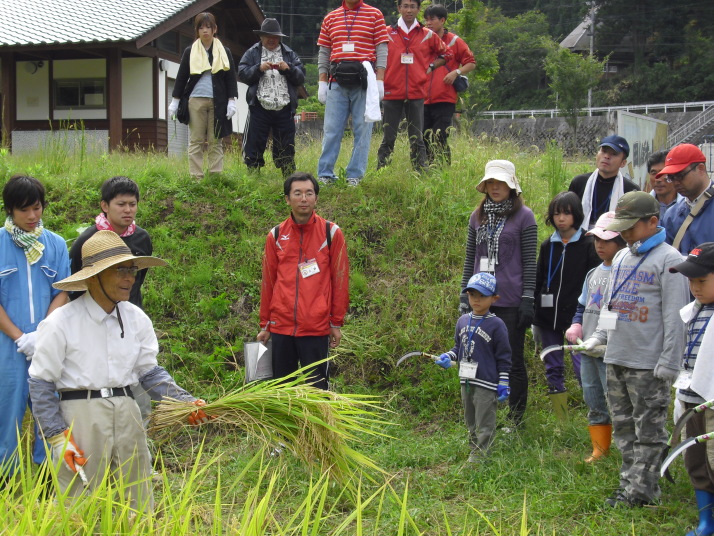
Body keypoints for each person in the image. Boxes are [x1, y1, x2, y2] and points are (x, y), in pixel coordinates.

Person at [28, 231, 210, 512]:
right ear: (93, 277)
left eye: (132, 270)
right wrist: (57, 436)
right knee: (78, 499)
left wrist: (185, 402)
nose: (130, 278)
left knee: (137, 494)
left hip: (128, 412)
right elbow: (40, 383)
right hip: (81, 417)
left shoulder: (136, 318)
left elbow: (150, 373)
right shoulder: (60, 322)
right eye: (120, 271)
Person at [582, 191, 689, 508]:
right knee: (624, 427)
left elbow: (675, 317)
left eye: (630, 227)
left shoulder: (670, 261)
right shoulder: (621, 258)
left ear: (652, 222)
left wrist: (669, 362)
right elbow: (611, 305)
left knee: (649, 430)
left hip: (647, 364)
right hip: (616, 357)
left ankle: (644, 492)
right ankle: (629, 485)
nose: (625, 234)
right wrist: (599, 336)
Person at [0, 175, 70, 478]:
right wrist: (20, 338)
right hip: (7, 346)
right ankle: (7, 477)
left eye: (37, 208)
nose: (32, 216)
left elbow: (62, 292)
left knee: (51, 407)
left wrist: (42, 333)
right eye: (24, 209)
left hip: (46, 342)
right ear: (10, 209)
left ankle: (48, 475)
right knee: (6, 409)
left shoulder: (55, 244)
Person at [68, 176, 153, 420]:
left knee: (137, 378)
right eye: (121, 204)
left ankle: (138, 429)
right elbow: (77, 288)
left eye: (132, 204)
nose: (128, 210)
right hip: (94, 324)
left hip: (129, 320)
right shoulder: (86, 242)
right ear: (104, 205)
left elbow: (137, 282)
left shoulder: (141, 239)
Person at [460, 160, 537, 427]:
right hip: (480, 298)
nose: (495, 187)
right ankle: (484, 416)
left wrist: (528, 297)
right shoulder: (477, 216)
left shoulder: (525, 216)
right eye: (491, 182)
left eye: (501, 182)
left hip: (511, 299)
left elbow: (530, 260)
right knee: (481, 358)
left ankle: (516, 419)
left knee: (512, 360)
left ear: (511, 185)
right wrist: (464, 295)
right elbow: (471, 258)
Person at [257, 172, 349, 389]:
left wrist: (335, 323)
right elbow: (268, 282)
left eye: (309, 193)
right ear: (287, 199)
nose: (304, 198)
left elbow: (340, 281)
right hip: (281, 328)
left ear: (316, 198)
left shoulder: (331, 233)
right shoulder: (276, 235)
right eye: (297, 193)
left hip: (316, 328)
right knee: (282, 391)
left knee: (317, 391)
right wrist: (265, 324)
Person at [564, 211, 626, 461]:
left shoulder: (624, 272)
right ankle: (599, 449)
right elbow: (582, 305)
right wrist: (576, 324)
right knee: (592, 396)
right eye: (597, 239)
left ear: (621, 241)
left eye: (606, 240)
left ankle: (625, 449)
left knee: (615, 398)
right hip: (587, 348)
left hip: (612, 351)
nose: (600, 245)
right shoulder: (593, 273)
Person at [533, 191, 600, 419]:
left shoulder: (589, 244)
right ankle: (561, 416)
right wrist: (534, 312)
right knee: (552, 363)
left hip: (576, 316)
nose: (561, 218)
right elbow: (539, 278)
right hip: (547, 314)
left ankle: (593, 411)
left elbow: (595, 282)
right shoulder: (547, 245)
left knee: (582, 363)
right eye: (556, 213)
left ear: (576, 215)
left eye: (566, 213)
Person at [435, 272, 511, 463]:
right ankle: (474, 449)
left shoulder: (497, 325)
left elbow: (504, 357)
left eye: (482, 296)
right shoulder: (462, 321)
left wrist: (503, 382)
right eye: (472, 295)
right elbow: (457, 347)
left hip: (486, 382)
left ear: (494, 298)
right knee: (470, 419)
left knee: (485, 421)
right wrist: (447, 356)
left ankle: (481, 455)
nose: (476, 300)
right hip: (466, 380)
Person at [316, 0, 388, 186]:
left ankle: (354, 175)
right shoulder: (331, 18)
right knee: (331, 130)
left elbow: (382, 49)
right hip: (336, 81)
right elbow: (324, 51)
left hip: (363, 81)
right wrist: (322, 81)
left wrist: (380, 79)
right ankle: (325, 174)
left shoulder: (375, 14)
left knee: (363, 130)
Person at [669, 243, 714, 536]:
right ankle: (706, 522)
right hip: (690, 398)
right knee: (695, 459)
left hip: (711, 402)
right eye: (691, 281)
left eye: (702, 280)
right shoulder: (694, 311)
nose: (695, 287)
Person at [376, 0, 450, 172]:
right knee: (388, 136)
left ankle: (420, 170)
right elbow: (374, 54)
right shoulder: (386, 33)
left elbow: (447, 53)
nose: (409, 10)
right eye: (405, 6)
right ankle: (382, 171)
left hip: (417, 92)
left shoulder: (427, 34)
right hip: (391, 91)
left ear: (418, 9)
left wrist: (431, 67)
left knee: (417, 136)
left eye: (412, 7)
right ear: (399, 8)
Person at [169, 12, 238, 179]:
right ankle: (196, 177)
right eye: (201, 27)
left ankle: (215, 176)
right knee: (196, 140)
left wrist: (231, 100)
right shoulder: (190, 51)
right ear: (197, 30)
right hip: (195, 100)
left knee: (215, 139)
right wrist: (175, 101)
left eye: (208, 27)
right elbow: (182, 76)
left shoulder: (224, 51)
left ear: (215, 29)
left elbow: (230, 78)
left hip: (218, 101)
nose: (205, 30)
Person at [238, 18, 306, 177]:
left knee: (286, 145)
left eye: (275, 37)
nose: (272, 40)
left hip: (284, 106)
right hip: (259, 105)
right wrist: (258, 68)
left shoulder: (289, 53)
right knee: (255, 143)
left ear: (279, 38)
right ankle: (253, 176)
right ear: (261, 37)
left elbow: (301, 77)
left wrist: (288, 69)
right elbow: (242, 73)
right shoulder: (252, 52)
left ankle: (288, 178)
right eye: (268, 36)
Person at [423, 4, 476, 165]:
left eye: (432, 19)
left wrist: (456, 72)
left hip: (445, 98)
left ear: (442, 20)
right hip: (421, 97)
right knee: (423, 137)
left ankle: (443, 169)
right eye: (426, 20)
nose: (428, 23)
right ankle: (427, 169)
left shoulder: (454, 41)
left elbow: (471, 63)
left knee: (440, 136)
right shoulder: (422, 39)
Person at [568, 135, 639, 230]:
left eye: (614, 154)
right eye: (604, 151)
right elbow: (568, 216)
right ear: (597, 155)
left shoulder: (631, 191)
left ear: (623, 163)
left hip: (615, 238)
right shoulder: (580, 182)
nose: (606, 156)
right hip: (581, 236)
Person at [660, 143, 714, 255]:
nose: (676, 182)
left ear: (701, 169)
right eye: (671, 177)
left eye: (680, 175)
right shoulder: (671, 215)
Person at [647, 150, 683, 220]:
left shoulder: (688, 204)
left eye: (663, 173)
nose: (658, 179)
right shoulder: (643, 206)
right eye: (653, 173)